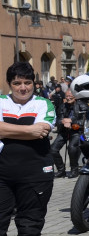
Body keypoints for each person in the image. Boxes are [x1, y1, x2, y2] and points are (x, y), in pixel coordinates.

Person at [0, 62, 55, 236]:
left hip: (35, 174)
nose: (23, 88)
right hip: (2, 174)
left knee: (30, 226)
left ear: (34, 83)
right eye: (17, 83)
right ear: (9, 84)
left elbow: (40, 132)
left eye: (27, 83)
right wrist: (29, 130)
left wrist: (4, 131)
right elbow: (33, 131)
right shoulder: (1, 102)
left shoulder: (44, 104)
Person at [50, 89, 81, 178]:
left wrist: (72, 121)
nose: (68, 98)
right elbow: (58, 120)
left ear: (75, 96)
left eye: (70, 96)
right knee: (53, 149)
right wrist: (63, 121)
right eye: (67, 96)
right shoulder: (62, 106)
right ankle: (61, 170)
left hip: (76, 131)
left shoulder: (81, 105)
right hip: (64, 131)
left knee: (71, 148)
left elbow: (84, 120)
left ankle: (74, 170)